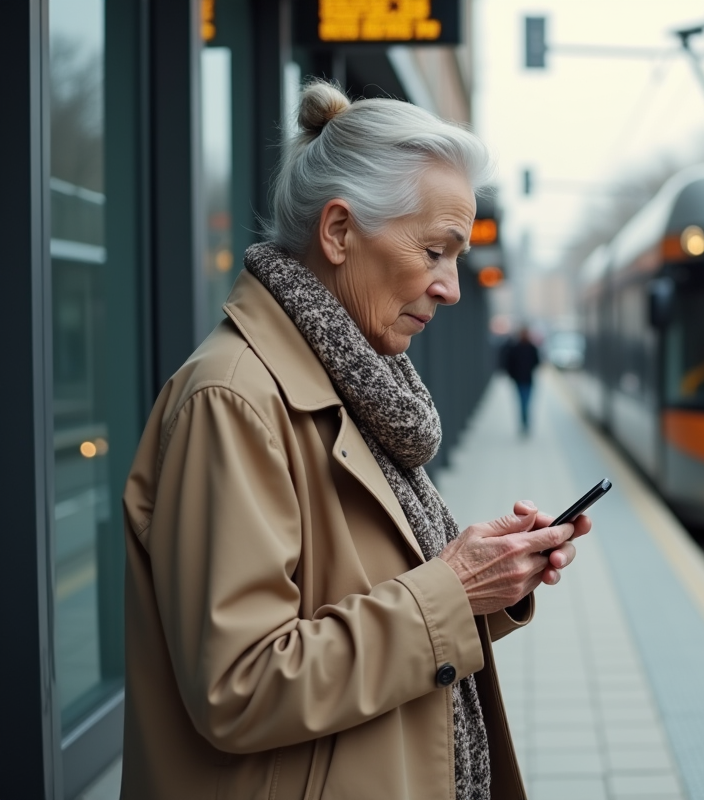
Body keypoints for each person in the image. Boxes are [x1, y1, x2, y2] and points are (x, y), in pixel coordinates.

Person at [120, 80, 590, 800]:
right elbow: (238, 686)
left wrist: (488, 584)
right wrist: (452, 588)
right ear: (339, 232)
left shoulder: (354, 385)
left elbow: (365, 609)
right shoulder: (234, 399)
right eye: (436, 251)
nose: (451, 287)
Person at [503, 327, 540, 435]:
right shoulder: (519, 348)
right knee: (524, 402)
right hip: (521, 380)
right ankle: (524, 421)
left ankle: (524, 421)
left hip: (525, 379)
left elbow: (536, 362)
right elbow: (509, 364)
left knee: (524, 402)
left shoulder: (526, 348)